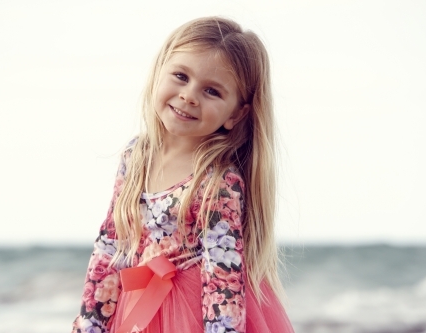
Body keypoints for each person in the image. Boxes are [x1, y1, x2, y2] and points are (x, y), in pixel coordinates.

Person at [72, 16, 294, 333]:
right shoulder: (135, 156)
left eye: (212, 91)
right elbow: (111, 245)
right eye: (180, 76)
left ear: (235, 114)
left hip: (194, 314)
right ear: (160, 70)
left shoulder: (217, 182)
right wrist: (90, 325)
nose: (189, 95)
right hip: (139, 307)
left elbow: (223, 277)